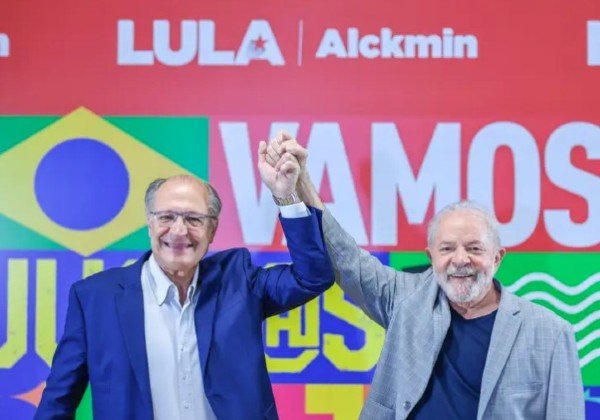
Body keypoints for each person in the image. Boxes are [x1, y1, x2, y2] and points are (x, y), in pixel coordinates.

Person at [266, 134, 585, 420]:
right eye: (447, 249)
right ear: (431, 258)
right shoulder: (406, 299)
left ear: (497, 258)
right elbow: (345, 258)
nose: (460, 259)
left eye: (474, 248)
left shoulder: (550, 333)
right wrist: (300, 184)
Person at [35, 139, 334, 419]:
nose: (179, 231)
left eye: (193, 219)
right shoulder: (95, 299)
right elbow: (58, 401)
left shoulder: (238, 281)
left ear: (212, 230)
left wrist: (286, 196)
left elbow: (312, 277)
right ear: (150, 223)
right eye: (166, 217)